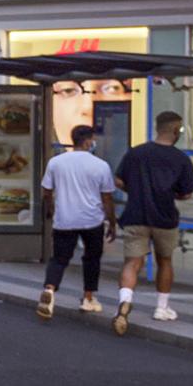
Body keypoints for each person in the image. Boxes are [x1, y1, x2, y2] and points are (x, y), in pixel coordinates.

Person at [113, 111, 193, 335]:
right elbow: (187, 193)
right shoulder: (180, 159)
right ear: (175, 130)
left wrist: (135, 190)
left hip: (135, 215)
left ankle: (125, 301)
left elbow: (119, 180)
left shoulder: (136, 153)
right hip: (165, 217)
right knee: (165, 261)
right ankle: (162, 308)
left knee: (132, 262)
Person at [37, 124, 118, 320]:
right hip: (92, 220)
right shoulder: (101, 165)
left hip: (64, 219)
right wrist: (112, 222)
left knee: (59, 259)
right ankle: (88, 297)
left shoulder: (56, 163)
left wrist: (50, 209)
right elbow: (107, 197)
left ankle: (50, 289)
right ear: (88, 141)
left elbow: (47, 191)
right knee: (92, 258)